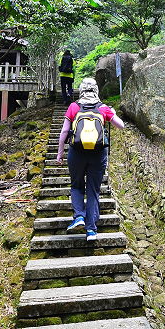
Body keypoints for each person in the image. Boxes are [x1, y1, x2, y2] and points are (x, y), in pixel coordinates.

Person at [55, 78, 124, 241]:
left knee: (76, 185)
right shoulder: (103, 108)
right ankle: (91, 230)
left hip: (76, 152)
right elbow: (121, 125)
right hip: (98, 154)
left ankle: (79, 216)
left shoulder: (74, 107)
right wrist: (112, 112)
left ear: (81, 90)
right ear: (96, 90)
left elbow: (64, 132)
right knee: (93, 190)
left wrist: (60, 153)